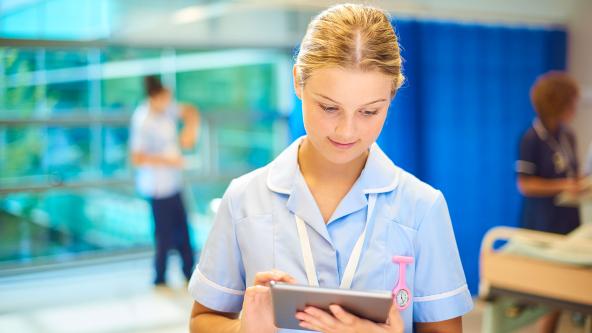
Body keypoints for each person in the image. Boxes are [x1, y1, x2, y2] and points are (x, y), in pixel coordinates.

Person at [188, 4, 472, 333]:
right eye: (329, 107)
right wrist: (242, 330)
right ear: (298, 80)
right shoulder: (244, 199)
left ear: (391, 95)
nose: (346, 131)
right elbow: (201, 320)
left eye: (369, 112)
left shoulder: (422, 208)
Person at [515, 71, 584, 333]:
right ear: (559, 103)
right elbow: (525, 184)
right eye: (572, 101)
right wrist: (565, 185)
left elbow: (570, 174)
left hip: (568, 221)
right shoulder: (531, 138)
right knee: (548, 295)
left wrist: (580, 184)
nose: (575, 107)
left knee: (560, 296)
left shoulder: (568, 136)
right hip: (543, 224)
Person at [130, 75, 200, 286]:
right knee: (164, 236)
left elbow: (190, 111)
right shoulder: (142, 119)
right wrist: (167, 160)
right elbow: (137, 157)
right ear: (154, 97)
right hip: (156, 187)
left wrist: (190, 132)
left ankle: (189, 273)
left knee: (184, 232)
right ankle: (159, 277)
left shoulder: (167, 109)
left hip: (174, 184)